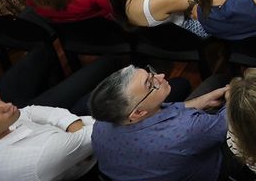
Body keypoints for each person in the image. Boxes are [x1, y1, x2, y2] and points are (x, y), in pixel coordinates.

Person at [0, 49, 120, 181]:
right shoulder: (40, 155)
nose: (6, 105)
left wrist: (71, 123)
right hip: (91, 155)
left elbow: (29, 111)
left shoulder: (3, 121)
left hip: (68, 129)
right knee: (116, 86)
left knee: (106, 64)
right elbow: (101, 130)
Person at [90, 65, 229, 181]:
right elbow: (229, 121)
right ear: (138, 113)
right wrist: (233, 95)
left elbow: (169, 112)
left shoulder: (101, 124)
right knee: (217, 80)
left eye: (150, 73)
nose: (161, 76)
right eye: (150, 84)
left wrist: (204, 101)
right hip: (213, 170)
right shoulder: (185, 129)